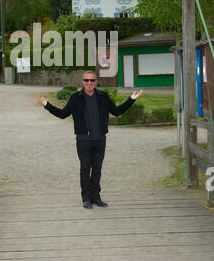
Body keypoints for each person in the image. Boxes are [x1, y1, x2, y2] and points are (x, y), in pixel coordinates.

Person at [37, 70, 143, 209]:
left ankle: (96, 197)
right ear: (82, 82)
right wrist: (47, 105)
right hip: (83, 140)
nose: (89, 83)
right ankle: (86, 198)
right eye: (86, 80)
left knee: (97, 169)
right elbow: (63, 114)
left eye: (92, 80)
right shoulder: (75, 98)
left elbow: (116, 111)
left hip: (100, 139)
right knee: (85, 169)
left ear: (96, 82)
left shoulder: (103, 97)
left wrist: (131, 100)